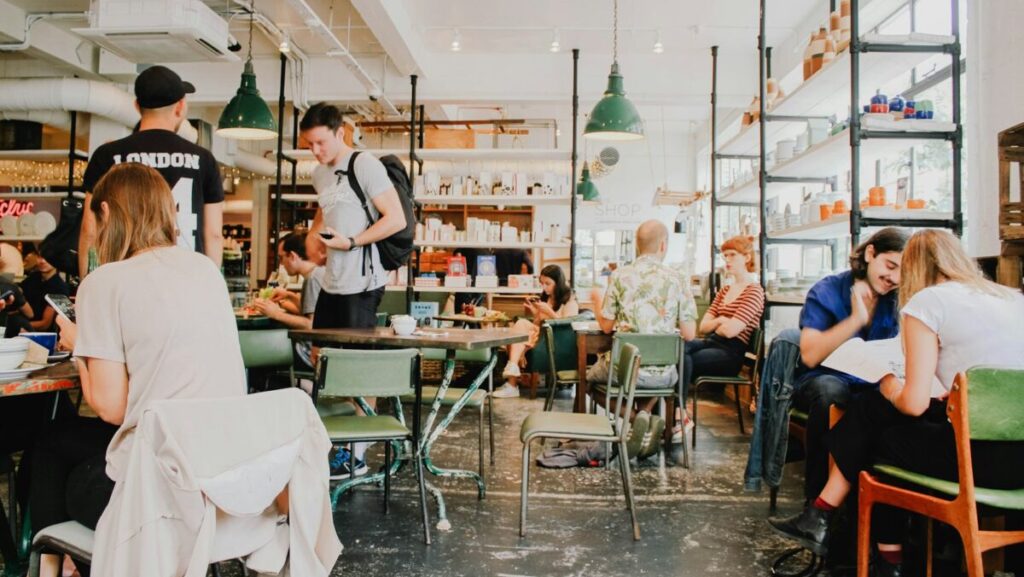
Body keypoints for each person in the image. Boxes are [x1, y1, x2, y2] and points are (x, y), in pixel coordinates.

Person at [29, 163, 245, 577]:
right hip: (221, 479)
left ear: (106, 213)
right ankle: (68, 565)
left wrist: (79, 346)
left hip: (159, 494)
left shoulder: (105, 281)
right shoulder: (205, 270)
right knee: (63, 443)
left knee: (51, 448)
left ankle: (55, 566)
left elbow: (111, 408)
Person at [770, 229, 1024, 577]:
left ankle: (869, 550)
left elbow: (914, 404)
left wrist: (889, 384)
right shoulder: (1012, 298)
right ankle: (826, 518)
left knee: (883, 431)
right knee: (881, 417)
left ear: (915, 268)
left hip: (977, 462)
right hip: (1019, 461)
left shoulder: (928, 303)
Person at [299, 102, 406, 478]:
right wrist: (317, 237)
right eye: (309, 145)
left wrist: (353, 241)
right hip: (332, 281)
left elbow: (396, 219)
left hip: (363, 282)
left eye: (321, 143)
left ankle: (356, 454)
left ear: (340, 132)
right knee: (322, 363)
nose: (315, 151)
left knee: (357, 370)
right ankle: (329, 443)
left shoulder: (365, 165)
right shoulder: (318, 174)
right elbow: (328, 210)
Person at [792, 227, 908, 499]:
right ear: (870, 253)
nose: (894, 278)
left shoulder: (899, 299)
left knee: (903, 404)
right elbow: (809, 355)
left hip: (875, 383)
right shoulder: (827, 290)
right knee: (833, 392)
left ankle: (886, 518)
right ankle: (817, 506)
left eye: (903, 272)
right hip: (822, 381)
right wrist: (855, 320)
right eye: (890, 265)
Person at [79, 65, 224, 278]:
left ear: (137, 106)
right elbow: (213, 235)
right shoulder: (203, 159)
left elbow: (90, 230)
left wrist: (87, 284)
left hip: (125, 277)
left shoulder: (107, 155)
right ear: (180, 107)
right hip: (185, 277)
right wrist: (211, 287)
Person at [587, 220, 698, 436]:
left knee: (589, 381)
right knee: (656, 373)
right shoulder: (678, 278)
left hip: (625, 371)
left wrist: (596, 301)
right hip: (665, 375)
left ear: (637, 246)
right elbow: (689, 334)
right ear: (663, 245)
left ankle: (636, 419)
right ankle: (644, 419)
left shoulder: (619, 275)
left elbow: (607, 326)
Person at [679, 235, 765, 440]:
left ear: (747, 257)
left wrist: (719, 323)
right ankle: (676, 414)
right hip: (711, 343)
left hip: (731, 353)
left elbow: (731, 331)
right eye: (725, 255)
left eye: (732, 255)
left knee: (683, 358)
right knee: (679, 346)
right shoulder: (725, 290)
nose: (727, 260)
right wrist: (720, 321)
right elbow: (704, 325)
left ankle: (677, 414)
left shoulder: (754, 292)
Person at [492, 264, 579, 398]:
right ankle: (513, 372)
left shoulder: (569, 299)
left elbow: (568, 325)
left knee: (518, 335)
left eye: (548, 283)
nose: (544, 287)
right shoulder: (547, 297)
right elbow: (538, 323)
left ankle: (512, 384)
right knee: (519, 329)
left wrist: (548, 311)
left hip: (557, 340)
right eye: (542, 283)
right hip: (541, 335)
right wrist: (535, 312)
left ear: (558, 282)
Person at [252, 232, 326, 372]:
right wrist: (289, 295)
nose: (281, 264)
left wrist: (276, 314)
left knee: (260, 349)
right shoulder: (319, 272)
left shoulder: (312, 280)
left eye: (281, 258)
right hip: (324, 350)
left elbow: (312, 325)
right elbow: (316, 310)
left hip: (310, 353)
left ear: (292, 256)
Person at [19, 253, 70, 332]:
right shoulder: (33, 278)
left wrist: (18, 325)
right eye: (40, 257)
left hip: (44, 336)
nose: (42, 261)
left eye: (48, 258)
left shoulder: (60, 287)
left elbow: (45, 324)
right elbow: (18, 293)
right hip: (23, 328)